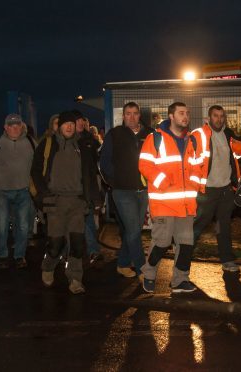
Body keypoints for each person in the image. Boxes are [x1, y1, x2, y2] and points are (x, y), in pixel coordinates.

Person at [139, 102, 204, 293]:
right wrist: (163, 182)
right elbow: (144, 165)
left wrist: (195, 184)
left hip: (185, 203)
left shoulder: (192, 140)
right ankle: (149, 274)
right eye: (181, 113)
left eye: (188, 113)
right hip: (164, 203)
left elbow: (197, 166)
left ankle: (180, 280)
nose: (186, 116)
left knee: (185, 244)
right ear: (171, 116)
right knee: (162, 242)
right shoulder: (155, 138)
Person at [31, 111, 94, 294]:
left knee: (76, 244)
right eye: (65, 124)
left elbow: (90, 173)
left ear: (76, 126)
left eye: (72, 124)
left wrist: (92, 199)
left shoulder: (82, 146)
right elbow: (35, 171)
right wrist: (43, 195)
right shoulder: (48, 144)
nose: (69, 127)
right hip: (55, 203)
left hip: (77, 202)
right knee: (56, 243)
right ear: (59, 126)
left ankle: (75, 279)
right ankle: (48, 266)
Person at [100, 102, 154, 278]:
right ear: (123, 116)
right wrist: (115, 182)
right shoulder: (115, 134)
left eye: (135, 113)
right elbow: (104, 162)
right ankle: (142, 268)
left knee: (134, 230)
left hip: (143, 190)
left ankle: (123, 263)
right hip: (122, 191)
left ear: (140, 115)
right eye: (128, 114)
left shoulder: (150, 134)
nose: (131, 117)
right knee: (133, 229)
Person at [191, 105, 241, 272]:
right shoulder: (199, 135)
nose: (219, 119)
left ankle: (227, 260)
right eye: (215, 116)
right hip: (207, 190)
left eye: (222, 116)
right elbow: (190, 162)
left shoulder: (229, 134)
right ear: (208, 118)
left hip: (226, 190)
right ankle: (183, 256)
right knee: (198, 225)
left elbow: (238, 156)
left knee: (224, 226)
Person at [0, 113, 35, 269]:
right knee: (2, 224)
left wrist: (37, 187)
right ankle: (2, 255)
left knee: (23, 225)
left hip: (24, 191)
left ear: (21, 126)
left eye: (17, 125)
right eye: (11, 125)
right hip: (2, 191)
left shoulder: (31, 142)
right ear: (5, 127)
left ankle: (19, 256)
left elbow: (38, 166)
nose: (15, 128)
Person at [73, 110, 103, 264]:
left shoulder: (89, 139)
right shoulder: (66, 140)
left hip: (87, 188)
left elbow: (96, 165)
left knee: (89, 221)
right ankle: (69, 255)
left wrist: (97, 195)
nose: (81, 123)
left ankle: (93, 251)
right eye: (77, 120)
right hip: (70, 190)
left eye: (81, 120)